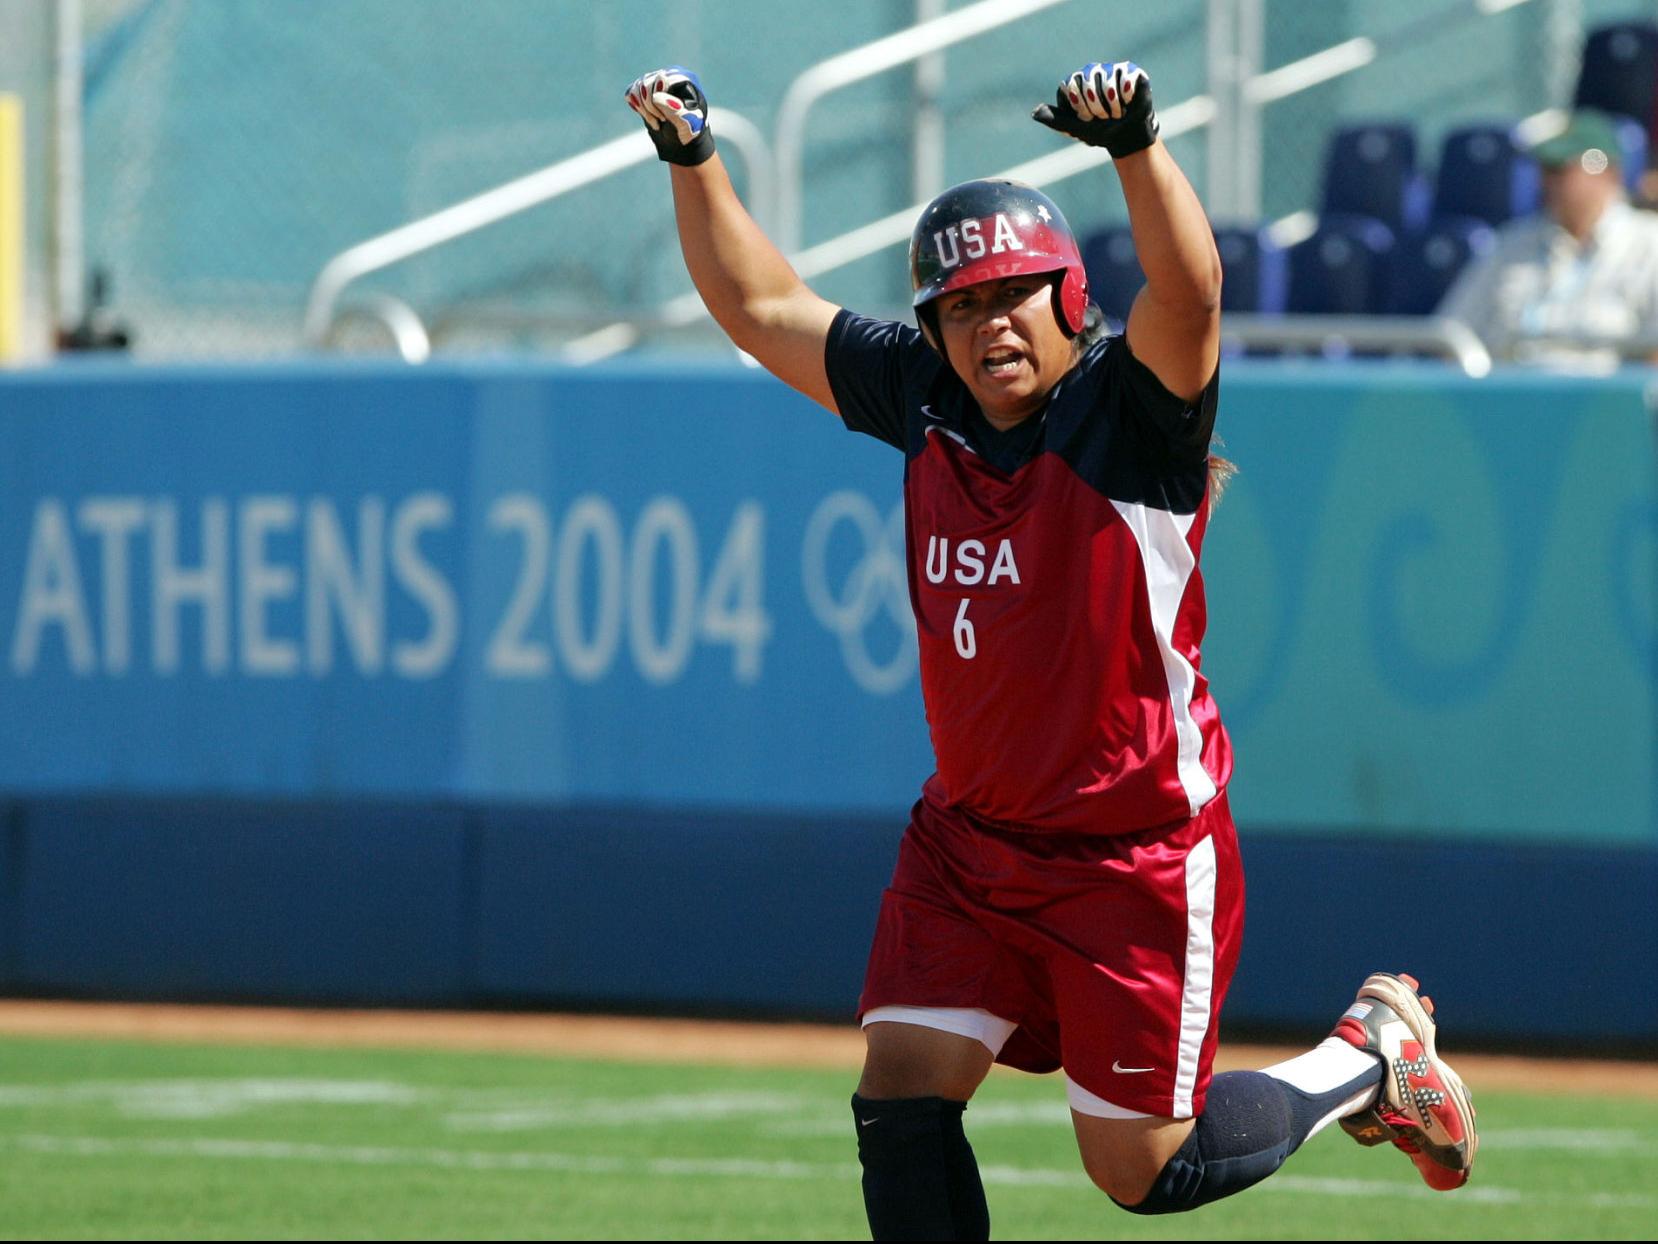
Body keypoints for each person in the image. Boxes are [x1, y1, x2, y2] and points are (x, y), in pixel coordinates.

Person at [624, 60, 1479, 1238]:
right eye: (960, 307)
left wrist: (1133, 148)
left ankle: (1367, 1055)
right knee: (900, 1089)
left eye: (1014, 295)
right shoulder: (924, 397)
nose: (988, 325)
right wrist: (692, 160)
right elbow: (759, 304)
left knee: (1140, 1171)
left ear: (1069, 297)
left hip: (1129, 851)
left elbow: (1191, 287)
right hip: (969, 841)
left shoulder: (1131, 417)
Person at [1439, 107, 1658, 368]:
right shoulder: (1513, 242)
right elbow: (1452, 334)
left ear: (1603, 170)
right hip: (1509, 399)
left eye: (1560, 169)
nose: (1548, 182)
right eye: (1545, 170)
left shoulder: (1648, 244)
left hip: (1603, 403)